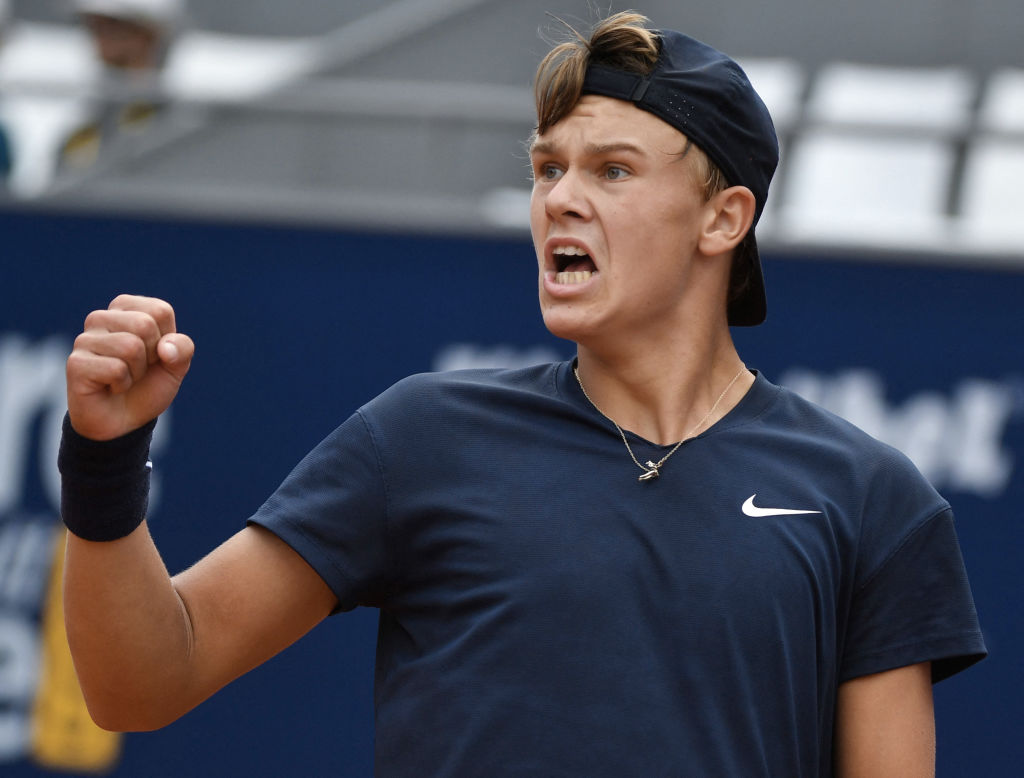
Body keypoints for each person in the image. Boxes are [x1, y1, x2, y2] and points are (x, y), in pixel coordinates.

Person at [59, 11, 985, 776]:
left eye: (612, 170)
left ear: (723, 217)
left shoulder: (873, 499)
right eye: (548, 169)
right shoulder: (419, 437)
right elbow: (142, 683)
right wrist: (102, 458)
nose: (560, 200)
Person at [58, 0, 184, 171]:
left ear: (147, 34)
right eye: (93, 25)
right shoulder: (88, 118)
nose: (97, 37)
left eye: (111, 25)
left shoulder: (179, 123)